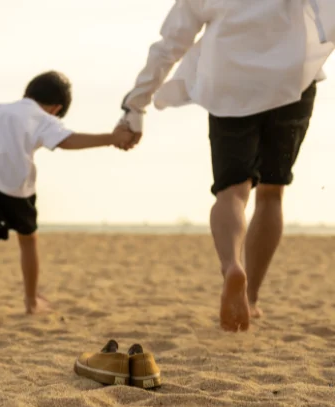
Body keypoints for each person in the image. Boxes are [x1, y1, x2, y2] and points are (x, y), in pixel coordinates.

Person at [118, 0, 334, 332]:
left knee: (232, 191)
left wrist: (136, 105)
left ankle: (232, 265)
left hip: (230, 84)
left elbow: (170, 44)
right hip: (291, 82)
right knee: (271, 193)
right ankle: (252, 298)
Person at [0, 71, 135, 324]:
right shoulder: (43, 118)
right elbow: (67, 140)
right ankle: (31, 301)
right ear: (56, 108)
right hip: (16, 188)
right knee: (28, 241)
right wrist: (111, 139)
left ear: (28, 92)